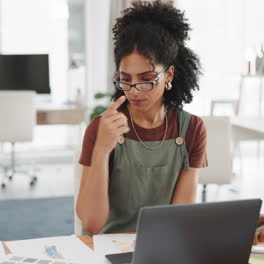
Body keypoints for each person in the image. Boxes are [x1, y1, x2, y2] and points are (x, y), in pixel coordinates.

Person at [76, 0, 206, 234]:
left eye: (146, 78)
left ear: (169, 75)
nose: (134, 89)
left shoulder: (191, 129)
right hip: (107, 249)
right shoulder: (103, 127)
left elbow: (180, 218)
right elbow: (92, 223)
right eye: (126, 79)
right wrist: (102, 149)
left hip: (162, 246)